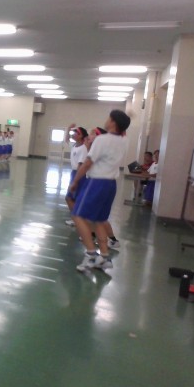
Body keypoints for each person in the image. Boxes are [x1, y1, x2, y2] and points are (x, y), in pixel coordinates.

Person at [69, 110, 131, 272]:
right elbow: (123, 132)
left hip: (96, 183)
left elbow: (87, 163)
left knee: (77, 216)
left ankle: (91, 254)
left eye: (109, 118)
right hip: (111, 185)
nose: (106, 120)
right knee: (98, 220)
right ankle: (104, 257)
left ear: (113, 122)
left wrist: (75, 181)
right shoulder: (124, 141)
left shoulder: (102, 140)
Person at [64, 124, 89, 226]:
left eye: (76, 133)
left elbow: (80, 166)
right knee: (71, 198)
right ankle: (76, 219)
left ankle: (78, 219)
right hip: (74, 173)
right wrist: (68, 128)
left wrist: (75, 181)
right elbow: (66, 139)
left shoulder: (83, 148)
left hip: (79, 175)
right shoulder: (74, 145)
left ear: (81, 136)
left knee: (71, 198)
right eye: (74, 132)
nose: (73, 134)